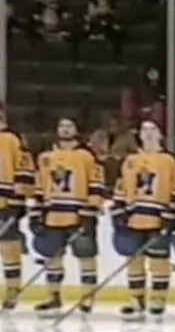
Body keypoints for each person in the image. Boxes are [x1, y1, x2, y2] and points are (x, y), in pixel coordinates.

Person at [31, 117, 106, 316]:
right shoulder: (45, 156)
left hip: (79, 214)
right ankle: (53, 296)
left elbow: (97, 184)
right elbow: (40, 187)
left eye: (69, 126)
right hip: (53, 214)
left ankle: (87, 297)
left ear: (77, 129)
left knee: (86, 256)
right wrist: (36, 213)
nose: (64, 130)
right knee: (53, 257)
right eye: (61, 126)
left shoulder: (87, 155)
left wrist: (89, 212)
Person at [111, 119, 175, 320]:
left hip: (158, 217)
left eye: (153, 129)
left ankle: (158, 300)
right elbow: (121, 189)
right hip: (135, 217)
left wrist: (172, 215)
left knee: (159, 261)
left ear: (161, 135)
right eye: (144, 129)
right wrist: (119, 213)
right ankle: (137, 300)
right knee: (134, 259)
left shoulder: (169, 160)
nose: (148, 133)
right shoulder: (130, 160)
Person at [0, 103, 36, 310]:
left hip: (5, 203)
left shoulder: (13, 140)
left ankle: (12, 289)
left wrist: (18, 202)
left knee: (8, 248)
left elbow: (24, 169)